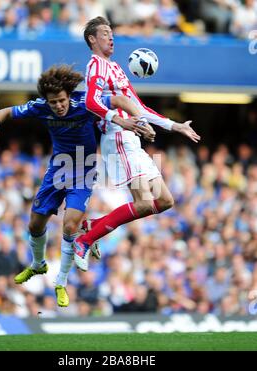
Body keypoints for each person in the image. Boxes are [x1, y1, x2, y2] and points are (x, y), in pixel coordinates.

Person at [0, 64, 152, 307]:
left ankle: (60, 282)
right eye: (53, 103)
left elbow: (121, 99)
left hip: (84, 170)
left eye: (62, 100)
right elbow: (3, 111)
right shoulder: (40, 107)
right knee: (35, 222)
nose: (58, 106)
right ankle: (38, 264)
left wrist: (140, 120)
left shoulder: (85, 102)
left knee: (69, 224)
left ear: (68, 96)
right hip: (57, 171)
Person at [73, 16, 201, 271]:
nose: (111, 37)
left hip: (132, 137)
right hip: (118, 137)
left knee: (165, 201)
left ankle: (93, 226)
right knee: (143, 201)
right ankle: (85, 240)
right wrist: (119, 121)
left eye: (112, 33)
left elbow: (138, 106)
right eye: (106, 33)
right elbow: (90, 102)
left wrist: (174, 126)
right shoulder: (95, 66)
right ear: (92, 39)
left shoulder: (117, 68)